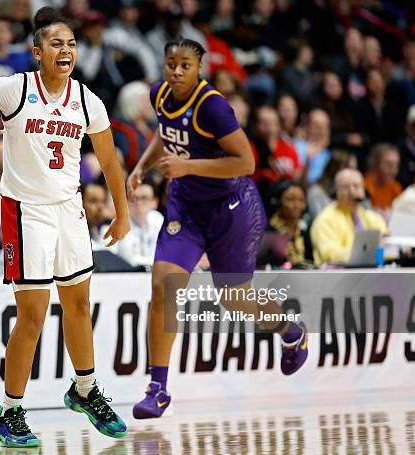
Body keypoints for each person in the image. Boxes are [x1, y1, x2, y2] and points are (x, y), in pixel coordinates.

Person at [0, 7, 130, 447]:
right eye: (57, 44)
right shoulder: (13, 88)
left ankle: (84, 390)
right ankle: (9, 412)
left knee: (79, 306)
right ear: (37, 51)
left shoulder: (87, 100)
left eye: (72, 44)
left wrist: (123, 212)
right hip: (25, 212)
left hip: (71, 211)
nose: (67, 51)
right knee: (34, 315)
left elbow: (111, 161)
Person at [127, 38, 308, 420]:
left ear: (199, 69)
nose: (176, 71)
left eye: (185, 65)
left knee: (232, 297)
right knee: (163, 285)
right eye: (171, 64)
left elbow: (245, 162)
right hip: (186, 206)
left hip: (232, 209)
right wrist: (143, 164)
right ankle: (157, 388)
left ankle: (291, 330)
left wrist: (189, 166)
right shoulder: (160, 94)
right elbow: (166, 132)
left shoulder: (212, 107)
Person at [310, 168, 387, 265]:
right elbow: (329, 254)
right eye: (346, 187)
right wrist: (365, 253)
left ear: (364, 190)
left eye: (356, 186)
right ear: (336, 192)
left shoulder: (372, 217)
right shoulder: (324, 220)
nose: (352, 192)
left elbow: (387, 243)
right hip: (335, 276)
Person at [267, 180, 313, 266]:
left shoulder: (304, 233)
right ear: (277, 202)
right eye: (290, 199)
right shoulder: (269, 233)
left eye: (301, 200)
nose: (297, 205)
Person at [363, 143, 402, 215]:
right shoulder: (364, 187)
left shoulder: (396, 187)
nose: (394, 171)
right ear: (375, 163)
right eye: (389, 165)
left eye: (396, 165)